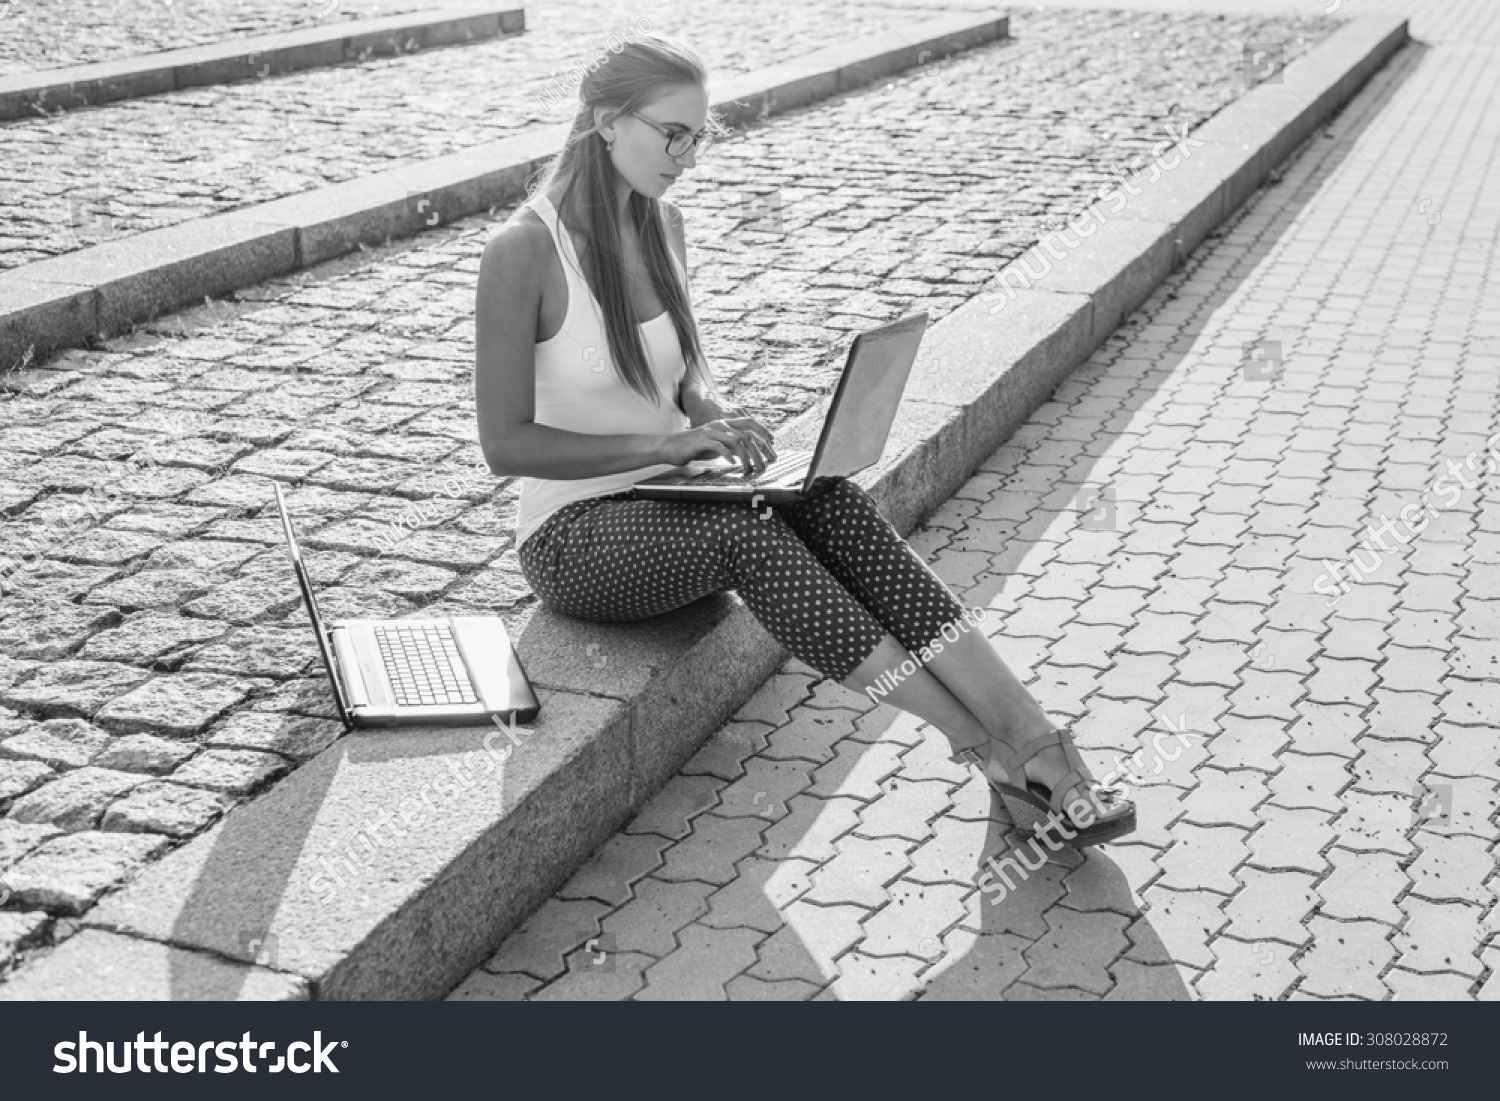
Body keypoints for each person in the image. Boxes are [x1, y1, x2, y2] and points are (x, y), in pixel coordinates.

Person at [472, 33, 1133, 847]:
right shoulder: (522, 252)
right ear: (607, 121)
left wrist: (716, 419)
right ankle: (983, 744)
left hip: (670, 491)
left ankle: (1035, 741)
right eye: (671, 133)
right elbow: (506, 445)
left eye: (698, 136)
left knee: (835, 504)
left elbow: (686, 375)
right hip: (575, 537)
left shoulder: (662, 225)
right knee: (747, 532)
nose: (686, 155)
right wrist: (670, 451)